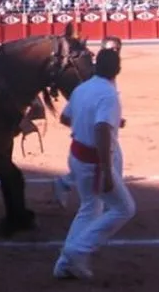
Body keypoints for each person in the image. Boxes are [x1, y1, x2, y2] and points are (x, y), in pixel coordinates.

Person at [53, 48, 135, 280]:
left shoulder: (82, 88)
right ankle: (76, 251)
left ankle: (64, 264)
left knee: (90, 207)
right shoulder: (109, 95)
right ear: (117, 70)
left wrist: (86, 125)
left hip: (77, 154)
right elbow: (101, 129)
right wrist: (107, 171)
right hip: (94, 162)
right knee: (124, 208)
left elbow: (65, 118)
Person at [51, 36, 124, 207]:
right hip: (97, 131)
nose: (114, 52)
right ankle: (111, 201)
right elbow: (81, 106)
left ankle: (64, 183)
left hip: (98, 129)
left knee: (88, 166)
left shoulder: (107, 72)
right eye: (110, 49)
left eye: (116, 49)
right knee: (109, 165)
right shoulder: (92, 75)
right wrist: (90, 124)